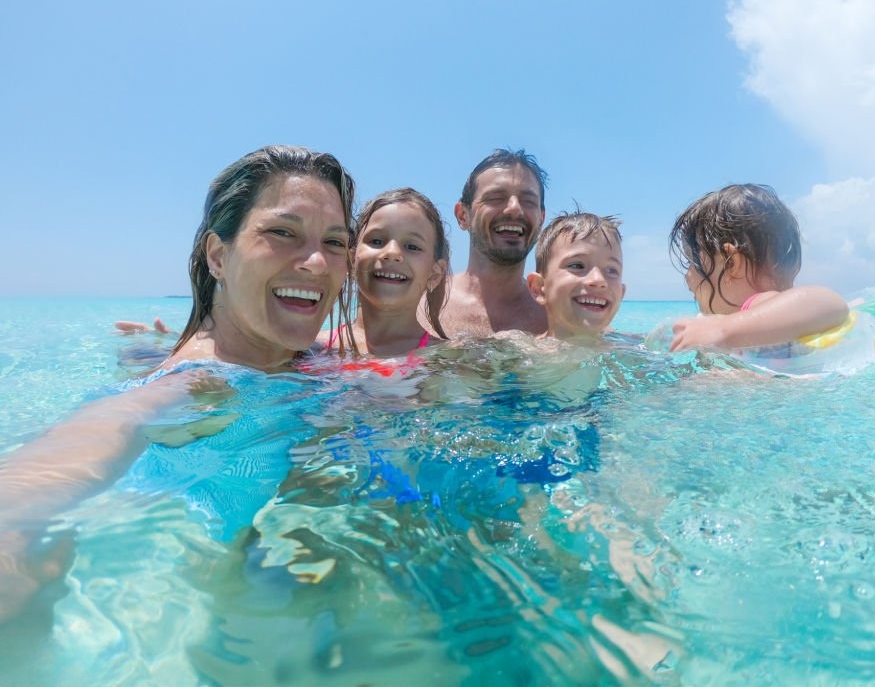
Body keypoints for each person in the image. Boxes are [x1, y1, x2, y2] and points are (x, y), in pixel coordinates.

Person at [0, 144, 357, 622]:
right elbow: (106, 426)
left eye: (334, 242)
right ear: (217, 256)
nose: (316, 262)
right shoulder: (198, 382)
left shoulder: (306, 360)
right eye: (282, 232)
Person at [666, 183, 848, 351]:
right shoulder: (754, 323)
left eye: (692, 261)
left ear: (731, 263)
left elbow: (827, 303)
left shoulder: (758, 303)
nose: (687, 276)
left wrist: (721, 330)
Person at [318, 187, 450, 362]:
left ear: (434, 274)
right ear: (351, 259)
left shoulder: (446, 361)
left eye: (412, 246)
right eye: (377, 241)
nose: (392, 252)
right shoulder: (312, 347)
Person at [440, 149, 549, 337]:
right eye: (496, 198)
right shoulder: (421, 304)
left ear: (541, 218)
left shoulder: (556, 316)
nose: (515, 208)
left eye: (528, 201)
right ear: (462, 215)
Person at [525, 211, 626, 345]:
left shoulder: (632, 351)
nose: (598, 280)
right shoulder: (517, 352)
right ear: (539, 288)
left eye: (611, 270)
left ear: (621, 294)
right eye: (577, 265)